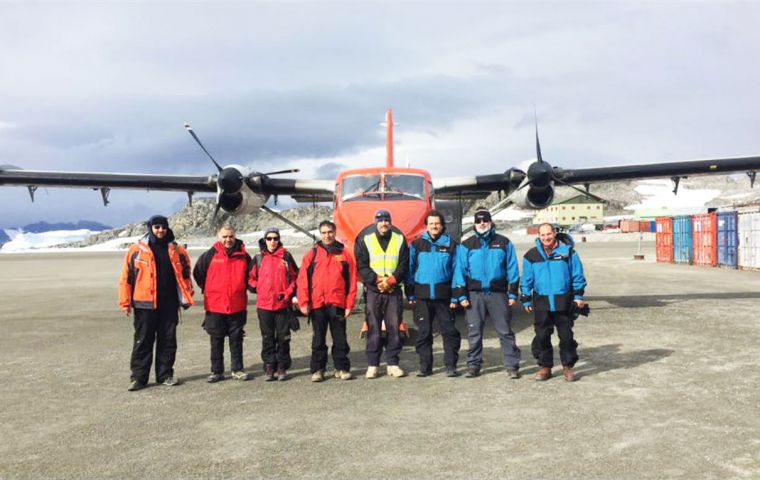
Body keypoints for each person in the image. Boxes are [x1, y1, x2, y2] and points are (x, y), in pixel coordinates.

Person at [118, 215, 194, 391]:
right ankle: (138, 378)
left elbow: (185, 272)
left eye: (163, 227)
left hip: (169, 303)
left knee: (168, 340)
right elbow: (126, 278)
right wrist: (125, 301)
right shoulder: (136, 250)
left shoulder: (177, 249)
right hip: (144, 304)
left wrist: (186, 292)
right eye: (157, 227)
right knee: (143, 340)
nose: (161, 230)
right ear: (150, 228)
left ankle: (165, 374)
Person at [452, 206, 521, 379]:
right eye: (478, 221)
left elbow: (512, 268)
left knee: (505, 331)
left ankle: (512, 365)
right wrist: (461, 295)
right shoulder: (467, 245)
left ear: (490, 221)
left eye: (485, 220)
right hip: (474, 295)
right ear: (474, 224)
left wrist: (513, 294)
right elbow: (460, 271)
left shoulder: (504, 243)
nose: (482, 223)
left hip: (498, 293)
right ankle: (473, 365)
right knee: (474, 332)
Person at [521, 223, 587, 382]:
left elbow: (577, 275)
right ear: (538, 236)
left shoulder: (568, 253)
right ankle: (545, 366)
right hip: (541, 300)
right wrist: (525, 297)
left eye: (549, 234)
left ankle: (568, 366)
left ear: (555, 233)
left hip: (563, 300)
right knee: (542, 335)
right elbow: (526, 279)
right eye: (543, 235)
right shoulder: (531, 255)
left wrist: (578, 296)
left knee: (566, 336)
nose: (546, 238)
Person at [296, 220, 358, 382]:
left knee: (340, 338)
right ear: (320, 234)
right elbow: (303, 279)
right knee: (318, 339)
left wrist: (349, 304)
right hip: (318, 304)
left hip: (337, 303)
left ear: (335, 232)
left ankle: (342, 368)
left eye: (330, 232)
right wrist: (303, 302)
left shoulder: (344, 255)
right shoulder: (312, 254)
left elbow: (351, 281)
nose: (327, 235)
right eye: (323, 233)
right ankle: (318, 369)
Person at [354, 209, 409, 379]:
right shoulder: (366, 240)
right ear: (375, 223)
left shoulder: (400, 239)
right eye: (380, 220)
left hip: (393, 290)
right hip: (374, 290)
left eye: (386, 220)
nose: (384, 223)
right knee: (374, 328)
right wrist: (378, 279)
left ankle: (392, 363)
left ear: (390, 222)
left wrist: (392, 280)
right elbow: (362, 265)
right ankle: (373, 364)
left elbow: (404, 264)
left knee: (394, 326)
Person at [406, 210, 462, 377]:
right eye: (431, 223)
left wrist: (455, 295)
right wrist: (410, 293)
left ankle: (451, 366)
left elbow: (457, 271)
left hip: (444, 296)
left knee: (449, 331)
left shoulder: (452, 245)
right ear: (427, 226)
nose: (434, 226)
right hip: (422, 297)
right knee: (424, 333)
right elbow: (410, 270)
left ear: (442, 225)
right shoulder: (417, 245)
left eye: (437, 223)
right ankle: (425, 366)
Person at [193, 225, 252, 383]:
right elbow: (198, 273)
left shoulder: (244, 256)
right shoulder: (209, 256)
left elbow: (251, 276)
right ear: (218, 237)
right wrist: (209, 289)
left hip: (237, 305)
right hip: (215, 306)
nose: (228, 240)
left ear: (235, 236)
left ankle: (237, 369)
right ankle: (217, 371)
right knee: (216, 339)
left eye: (230, 236)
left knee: (236, 338)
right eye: (225, 236)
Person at [248, 227, 299, 381]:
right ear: (264, 240)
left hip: (282, 305)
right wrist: (259, 288)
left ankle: (282, 366)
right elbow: (250, 278)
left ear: (279, 239)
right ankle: (270, 365)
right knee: (267, 337)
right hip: (264, 305)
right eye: (269, 238)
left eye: (275, 238)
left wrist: (287, 294)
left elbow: (295, 278)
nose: (272, 241)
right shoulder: (258, 258)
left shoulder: (286, 256)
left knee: (284, 337)